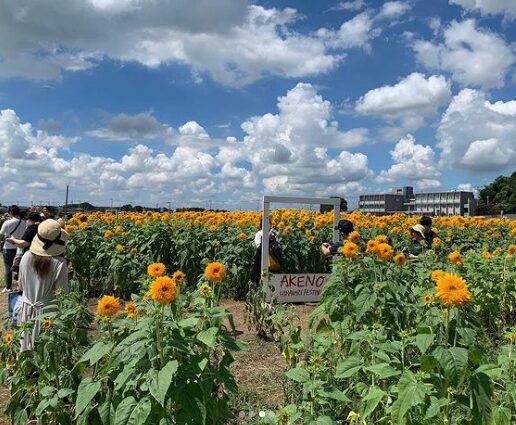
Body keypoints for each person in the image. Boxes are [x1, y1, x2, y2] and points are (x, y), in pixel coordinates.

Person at [17, 219, 70, 351]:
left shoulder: (25, 257)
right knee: (45, 352)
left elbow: (21, 286)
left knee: (26, 350)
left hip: (26, 309)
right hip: (47, 313)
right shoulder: (59, 263)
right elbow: (63, 294)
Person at [0, 206, 27, 292]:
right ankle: (20, 286)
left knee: (8, 268)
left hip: (8, 247)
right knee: (19, 267)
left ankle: (8, 287)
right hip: (20, 247)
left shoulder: (7, 222)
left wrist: (6, 236)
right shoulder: (23, 222)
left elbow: (1, 234)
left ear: (10, 212)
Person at [250, 217, 282, 284]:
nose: (268, 225)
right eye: (265, 223)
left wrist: (277, 235)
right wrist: (268, 236)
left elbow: (280, 243)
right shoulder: (259, 233)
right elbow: (258, 246)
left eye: (269, 223)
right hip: (262, 258)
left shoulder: (275, 232)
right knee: (262, 277)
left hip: (275, 258)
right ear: (262, 224)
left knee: (275, 278)